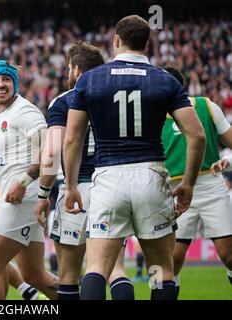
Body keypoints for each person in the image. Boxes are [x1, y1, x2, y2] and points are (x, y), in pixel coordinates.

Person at [63, 15, 206, 300]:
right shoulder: (164, 80)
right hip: (151, 177)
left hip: (108, 178)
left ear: (116, 40)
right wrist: (188, 183)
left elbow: (72, 139)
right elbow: (197, 136)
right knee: (161, 271)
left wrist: (70, 187)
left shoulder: (89, 80)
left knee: (97, 268)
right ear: (147, 42)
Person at [35, 40, 134, 300]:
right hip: (112, 186)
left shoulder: (65, 100)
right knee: (115, 271)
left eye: (69, 68)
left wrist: (44, 194)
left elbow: (52, 151)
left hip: (76, 190)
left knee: (68, 276)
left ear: (76, 70)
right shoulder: (114, 98)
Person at [0, 60, 58, 300]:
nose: (0, 85)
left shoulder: (25, 111)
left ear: (14, 84)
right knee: (35, 275)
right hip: (12, 198)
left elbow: (51, 150)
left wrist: (23, 181)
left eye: (6, 80)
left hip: (25, 197)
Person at [161, 66, 232, 296]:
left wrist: (226, 160)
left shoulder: (207, 106)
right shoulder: (152, 116)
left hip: (209, 185)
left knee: (229, 255)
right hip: (173, 192)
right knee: (171, 260)